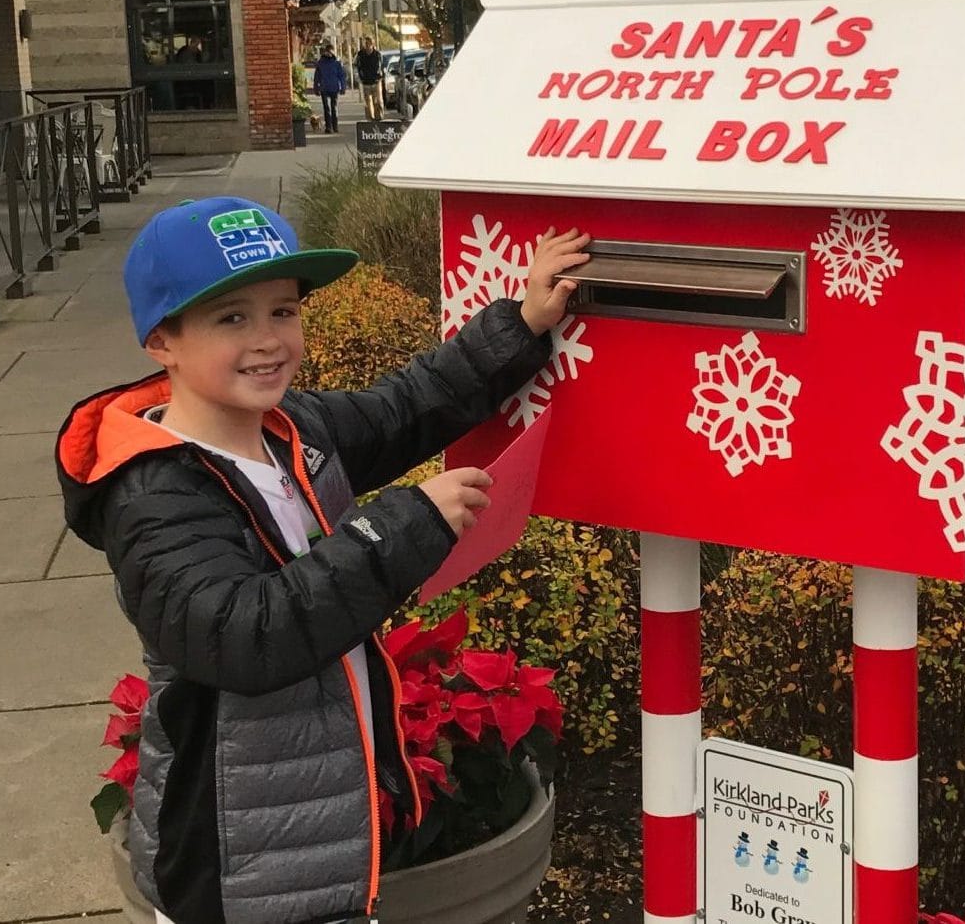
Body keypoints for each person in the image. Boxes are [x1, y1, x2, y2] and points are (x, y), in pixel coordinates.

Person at [55, 196, 589, 924]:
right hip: (234, 863)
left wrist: (519, 323)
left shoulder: (287, 430)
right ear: (162, 341)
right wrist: (405, 523)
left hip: (309, 837)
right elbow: (244, 634)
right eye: (232, 318)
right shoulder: (153, 494)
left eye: (283, 311)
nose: (269, 339)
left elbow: (408, 405)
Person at [312, 43, 348, 133]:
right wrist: (316, 87)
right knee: (326, 108)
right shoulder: (321, 63)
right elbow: (317, 76)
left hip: (334, 87)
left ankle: (335, 126)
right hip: (324, 87)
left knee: (334, 108)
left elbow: (341, 75)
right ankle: (329, 127)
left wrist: (343, 87)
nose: (329, 53)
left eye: (330, 51)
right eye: (327, 52)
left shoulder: (336, 63)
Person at [355, 36, 384, 121]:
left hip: (376, 81)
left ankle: (379, 118)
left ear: (373, 44)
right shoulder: (360, 55)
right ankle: (370, 119)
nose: (367, 46)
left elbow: (380, 66)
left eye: (369, 44)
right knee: (368, 102)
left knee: (378, 101)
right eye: (366, 44)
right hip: (366, 81)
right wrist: (361, 77)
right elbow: (358, 66)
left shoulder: (377, 54)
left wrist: (379, 76)